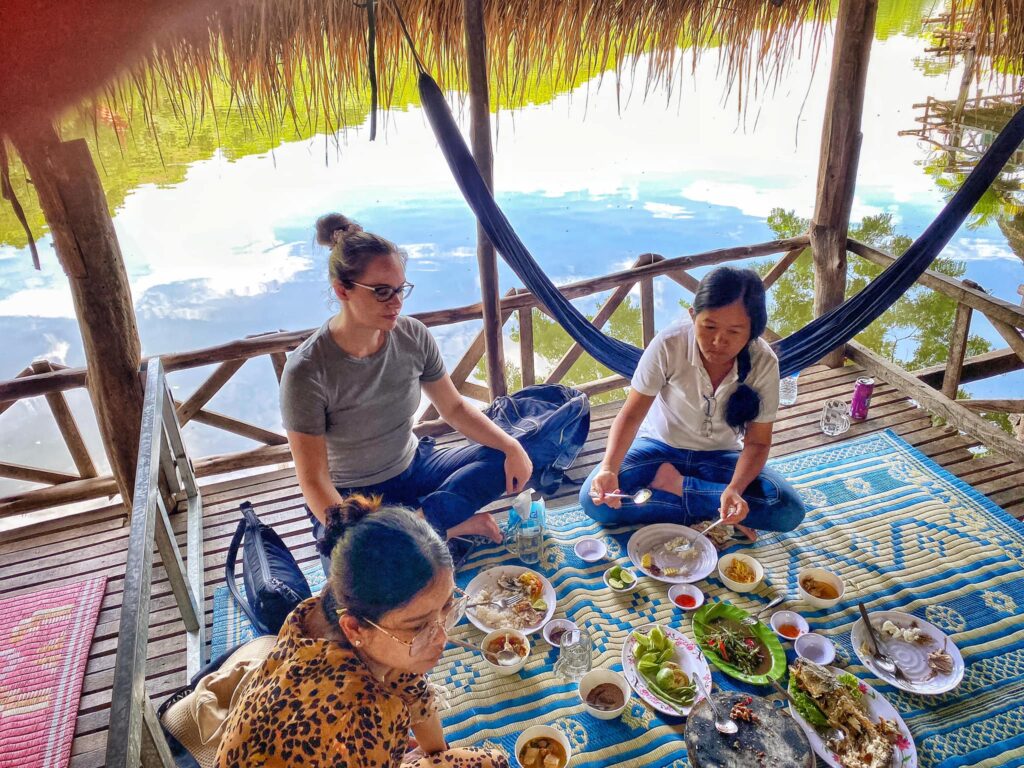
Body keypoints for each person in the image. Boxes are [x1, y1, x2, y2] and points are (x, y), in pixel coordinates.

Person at [281, 214, 533, 569]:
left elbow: (455, 408)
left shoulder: (413, 336)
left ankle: (416, 530)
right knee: (363, 575)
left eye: (401, 289)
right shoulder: (306, 371)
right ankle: (444, 529)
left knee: (504, 459)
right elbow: (313, 479)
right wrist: (358, 537)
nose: (396, 302)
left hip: (414, 467)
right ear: (342, 290)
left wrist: (511, 445)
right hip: (354, 496)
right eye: (382, 291)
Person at [216, 495, 508, 768]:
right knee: (493, 762)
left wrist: (436, 753)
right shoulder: (364, 719)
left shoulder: (321, 609)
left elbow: (409, 680)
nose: (442, 637)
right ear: (354, 628)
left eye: (447, 606)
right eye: (418, 626)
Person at [579, 266, 805, 539]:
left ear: (752, 332)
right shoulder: (669, 344)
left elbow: (758, 442)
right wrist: (608, 469)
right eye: (709, 326)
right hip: (659, 448)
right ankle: (717, 510)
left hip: (721, 457)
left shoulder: (764, 362)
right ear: (692, 315)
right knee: (594, 499)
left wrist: (734, 489)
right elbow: (630, 416)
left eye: (734, 332)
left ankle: (679, 488)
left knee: (787, 510)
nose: (718, 341)